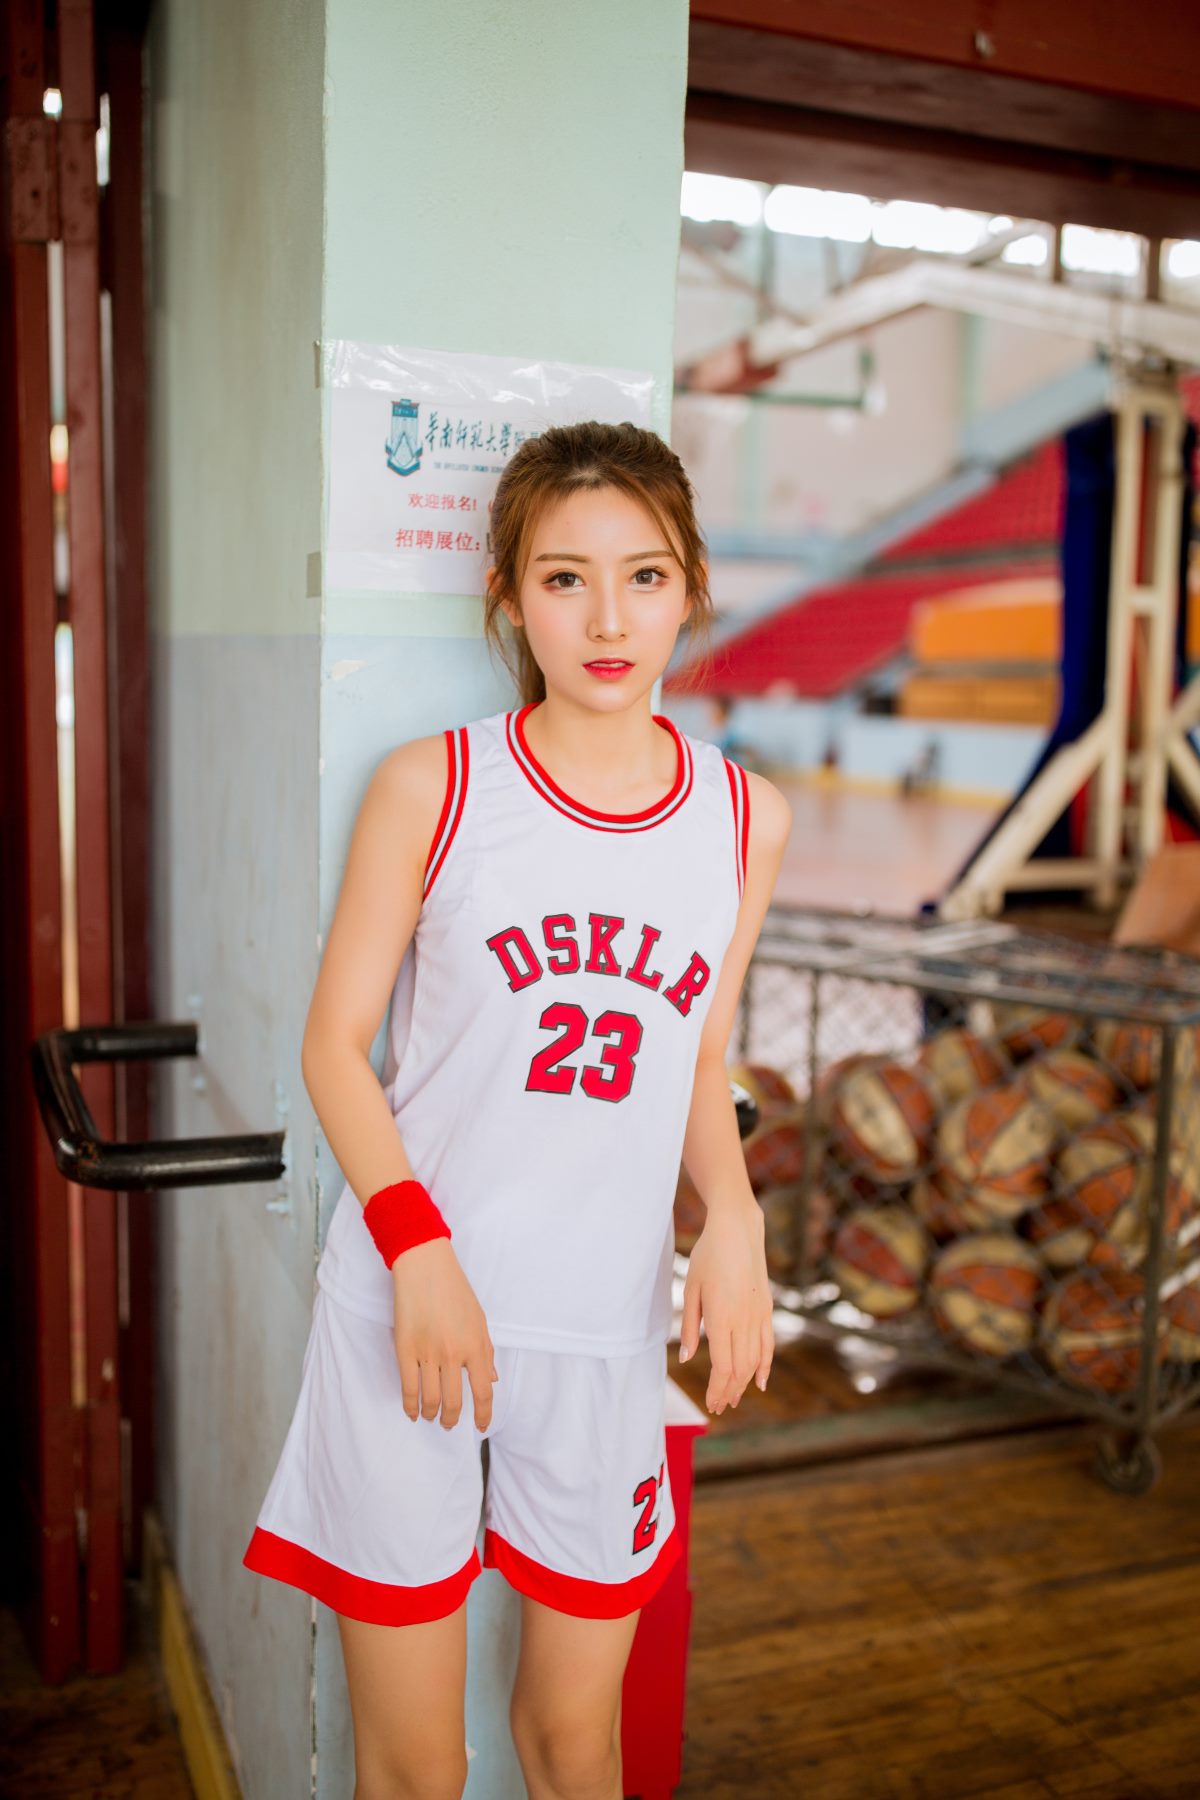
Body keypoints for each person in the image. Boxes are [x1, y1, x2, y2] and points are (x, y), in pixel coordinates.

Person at [242, 421, 793, 1800]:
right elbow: (333, 1047)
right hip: (413, 1310)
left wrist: (733, 1219)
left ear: (690, 586)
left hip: (601, 1329)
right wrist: (418, 1248)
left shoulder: (745, 820)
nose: (609, 621)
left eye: (645, 576)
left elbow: (698, 1055)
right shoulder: (435, 786)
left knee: (572, 1744)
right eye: (564, 579)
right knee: (418, 1768)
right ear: (507, 595)